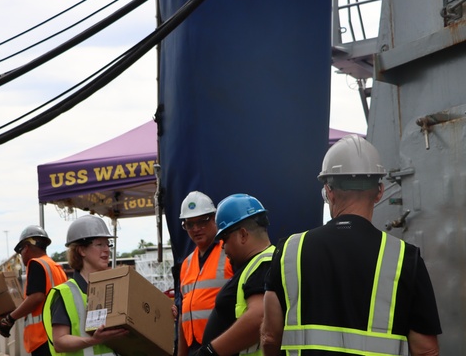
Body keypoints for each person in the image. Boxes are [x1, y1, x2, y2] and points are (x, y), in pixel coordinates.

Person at [261, 134, 442, 356]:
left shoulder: (289, 251)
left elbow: (270, 337)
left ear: (329, 192)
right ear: (379, 192)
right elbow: (426, 350)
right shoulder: (405, 258)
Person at [198, 194, 274, 356]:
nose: (223, 247)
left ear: (243, 235)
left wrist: (211, 351)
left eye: (224, 239)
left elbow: (260, 316)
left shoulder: (264, 264)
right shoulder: (255, 265)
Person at [42, 215, 128, 355]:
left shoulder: (116, 287)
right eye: (99, 244)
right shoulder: (65, 293)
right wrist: (93, 340)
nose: (106, 249)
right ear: (81, 250)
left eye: (108, 244)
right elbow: (60, 342)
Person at [177, 191, 234, 356]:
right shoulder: (187, 263)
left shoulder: (229, 251)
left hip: (222, 347)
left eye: (202, 221)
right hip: (195, 349)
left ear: (214, 219)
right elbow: (183, 315)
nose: (195, 229)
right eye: (189, 224)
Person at [0, 225, 67, 356]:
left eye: (21, 251)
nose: (22, 256)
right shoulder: (56, 267)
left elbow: (36, 297)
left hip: (42, 337)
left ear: (26, 247)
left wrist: (10, 319)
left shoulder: (36, 264)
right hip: (58, 334)